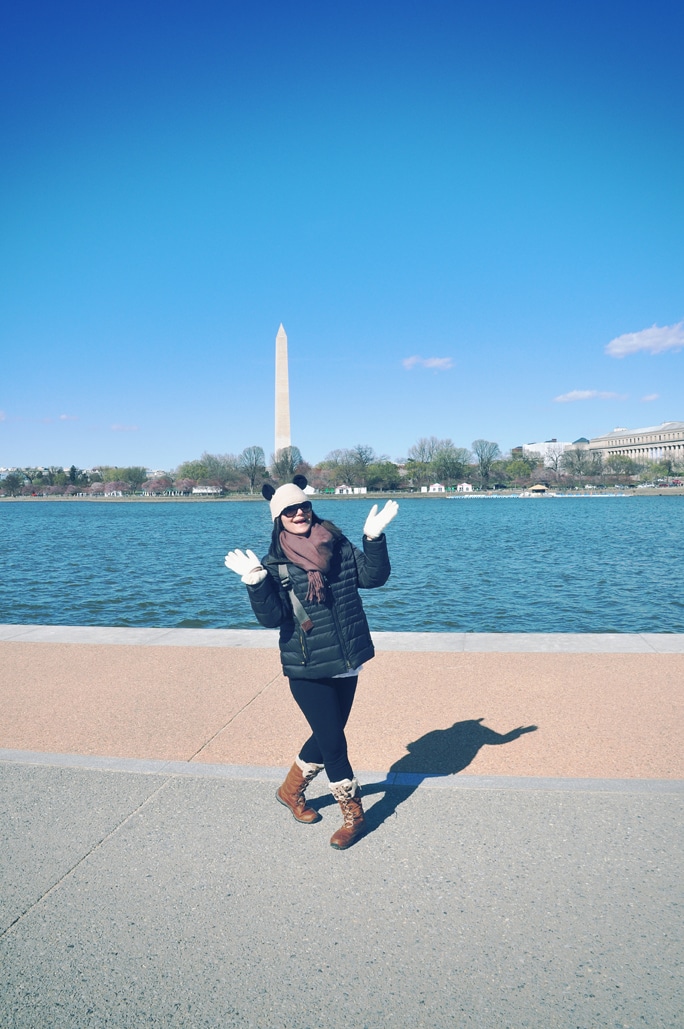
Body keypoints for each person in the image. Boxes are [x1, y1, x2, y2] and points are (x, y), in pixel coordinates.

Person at [224, 476, 398, 850]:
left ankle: (291, 791)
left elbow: (373, 577)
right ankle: (354, 816)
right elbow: (272, 619)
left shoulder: (336, 544)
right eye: (289, 510)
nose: (298, 513)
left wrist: (373, 539)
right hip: (307, 665)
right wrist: (255, 583)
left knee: (325, 736)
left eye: (302, 506)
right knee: (335, 744)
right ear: (278, 518)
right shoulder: (274, 564)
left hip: (347, 657)